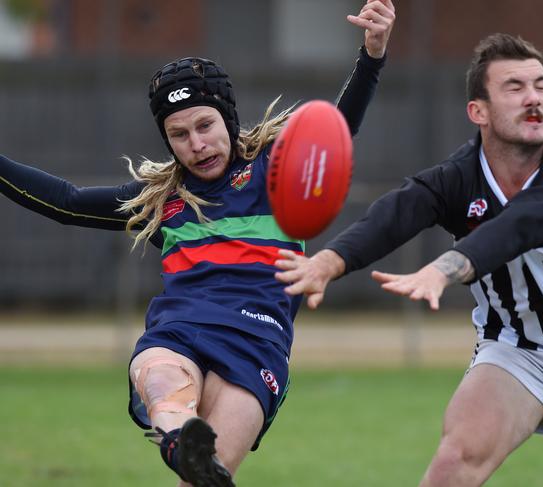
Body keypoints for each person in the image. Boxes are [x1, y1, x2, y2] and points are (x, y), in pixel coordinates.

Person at [0, 2, 395, 486]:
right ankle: (175, 437)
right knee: (162, 381)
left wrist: (372, 56)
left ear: (227, 118)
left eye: (205, 126)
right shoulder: (163, 200)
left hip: (255, 342)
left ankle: (183, 444)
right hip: (179, 330)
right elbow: (67, 202)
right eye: (178, 134)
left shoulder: (276, 171)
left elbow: (340, 128)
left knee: (204, 481)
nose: (196, 144)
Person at [275, 32, 543, 486]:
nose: (534, 98)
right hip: (518, 350)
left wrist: (440, 270)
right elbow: (395, 214)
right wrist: (326, 263)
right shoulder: (457, 178)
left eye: (541, 85)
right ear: (479, 111)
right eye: (514, 87)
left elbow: (513, 230)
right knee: (454, 466)